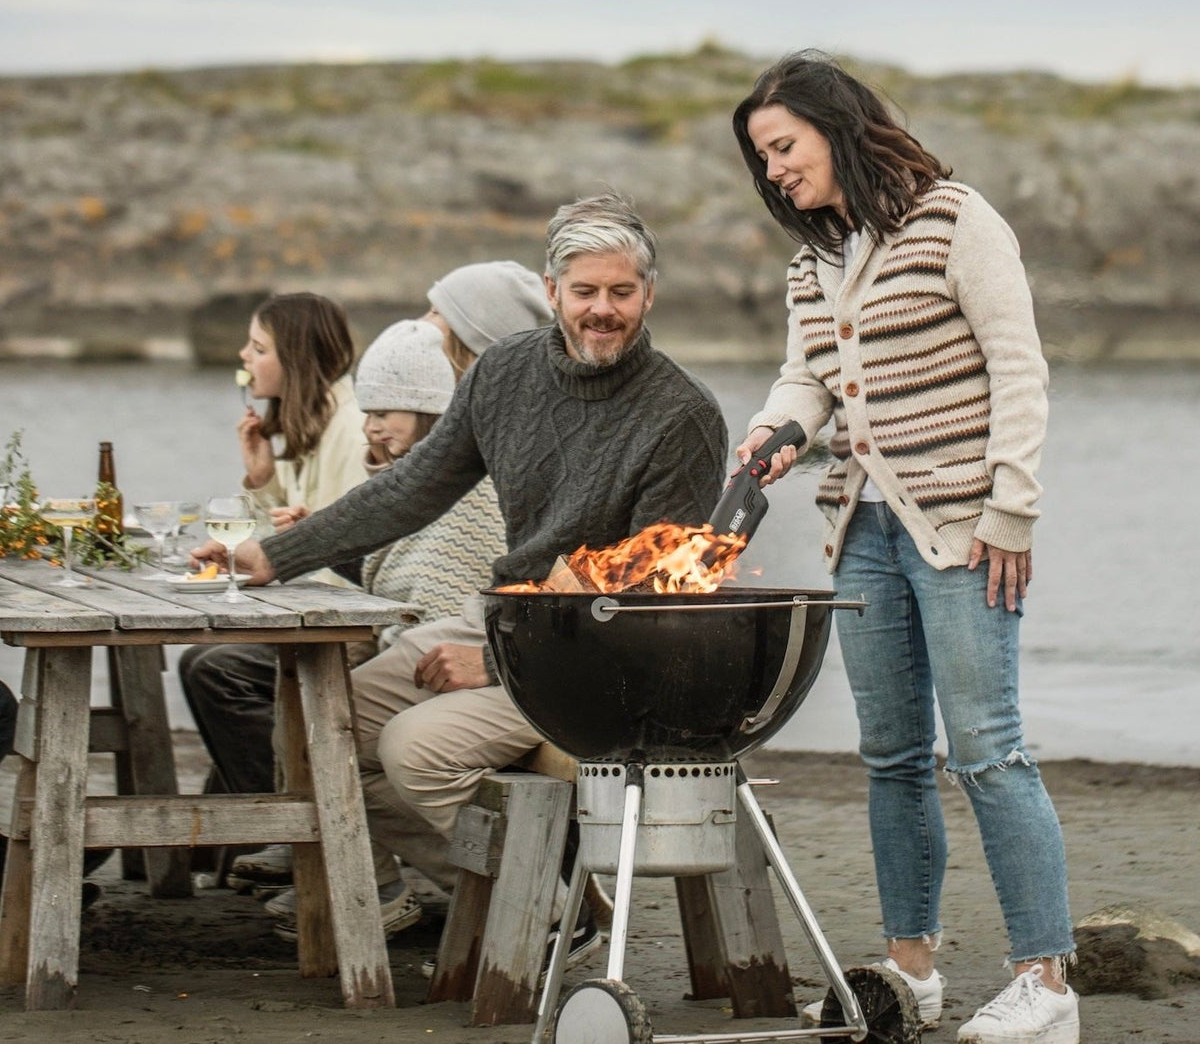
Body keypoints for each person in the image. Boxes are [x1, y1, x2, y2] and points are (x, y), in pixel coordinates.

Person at [194, 191, 729, 952]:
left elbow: (648, 593)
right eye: (584, 292)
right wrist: (273, 554)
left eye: (621, 292)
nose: (602, 310)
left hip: (610, 665)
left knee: (414, 751)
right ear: (553, 294)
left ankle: (549, 906)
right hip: (507, 624)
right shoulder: (506, 372)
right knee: (316, 729)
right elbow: (411, 489)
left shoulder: (682, 415)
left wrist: (499, 661)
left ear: (649, 294)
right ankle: (510, 888)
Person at [730, 52, 1078, 1044]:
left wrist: (1011, 512)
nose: (775, 172)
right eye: (762, 159)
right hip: (862, 533)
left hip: (964, 531)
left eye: (783, 147)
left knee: (989, 752)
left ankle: (1046, 983)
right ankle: (913, 971)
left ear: (838, 128)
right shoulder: (814, 262)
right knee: (888, 757)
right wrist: (773, 432)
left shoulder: (958, 220)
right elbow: (810, 382)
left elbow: (1019, 368)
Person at [234, 266, 552, 908]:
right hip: (479, 630)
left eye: (440, 326)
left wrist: (493, 659)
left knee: (349, 725)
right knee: (319, 717)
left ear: (475, 347)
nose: (423, 334)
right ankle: (482, 889)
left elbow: (468, 574)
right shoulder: (471, 441)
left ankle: (515, 893)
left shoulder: (504, 449)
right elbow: (398, 541)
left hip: (524, 651)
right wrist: (284, 543)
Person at [178, 292, 366, 797]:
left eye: (258, 347)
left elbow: (353, 551)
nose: (244, 356)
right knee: (206, 659)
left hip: (351, 630)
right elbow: (279, 536)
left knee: (215, 669)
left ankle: (287, 818)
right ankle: (260, 818)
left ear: (296, 361)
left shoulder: (352, 430)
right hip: (312, 612)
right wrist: (262, 475)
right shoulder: (309, 425)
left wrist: (288, 544)